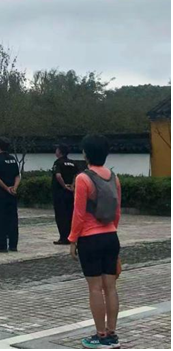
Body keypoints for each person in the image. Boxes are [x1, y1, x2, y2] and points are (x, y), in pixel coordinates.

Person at [70, 135, 122, 351]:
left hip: (90, 239)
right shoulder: (114, 178)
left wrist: (72, 239)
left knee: (95, 288)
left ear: (86, 154)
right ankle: (112, 334)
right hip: (111, 236)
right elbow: (117, 212)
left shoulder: (83, 178)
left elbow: (79, 214)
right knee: (111, 287)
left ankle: (99, 336)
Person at [0, 138, 21, 254]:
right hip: (12, 195)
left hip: (0, 195)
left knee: (0, 220)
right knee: (12, 219)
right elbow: (17, 176)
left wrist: (6, 188)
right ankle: (13, 245)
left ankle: (1, 245)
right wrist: (14, 188)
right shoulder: (12, 160)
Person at [52, 145, 79, 246]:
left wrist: (64, 186)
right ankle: (71, 236)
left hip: (60, 193)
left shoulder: (58, 163)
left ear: (60, 152)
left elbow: (58, 175)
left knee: (61, 215)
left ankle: (63, 237)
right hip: (70, 193)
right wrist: (72, 185)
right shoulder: (72, 163)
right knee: (70, 215)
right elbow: (77, 175)